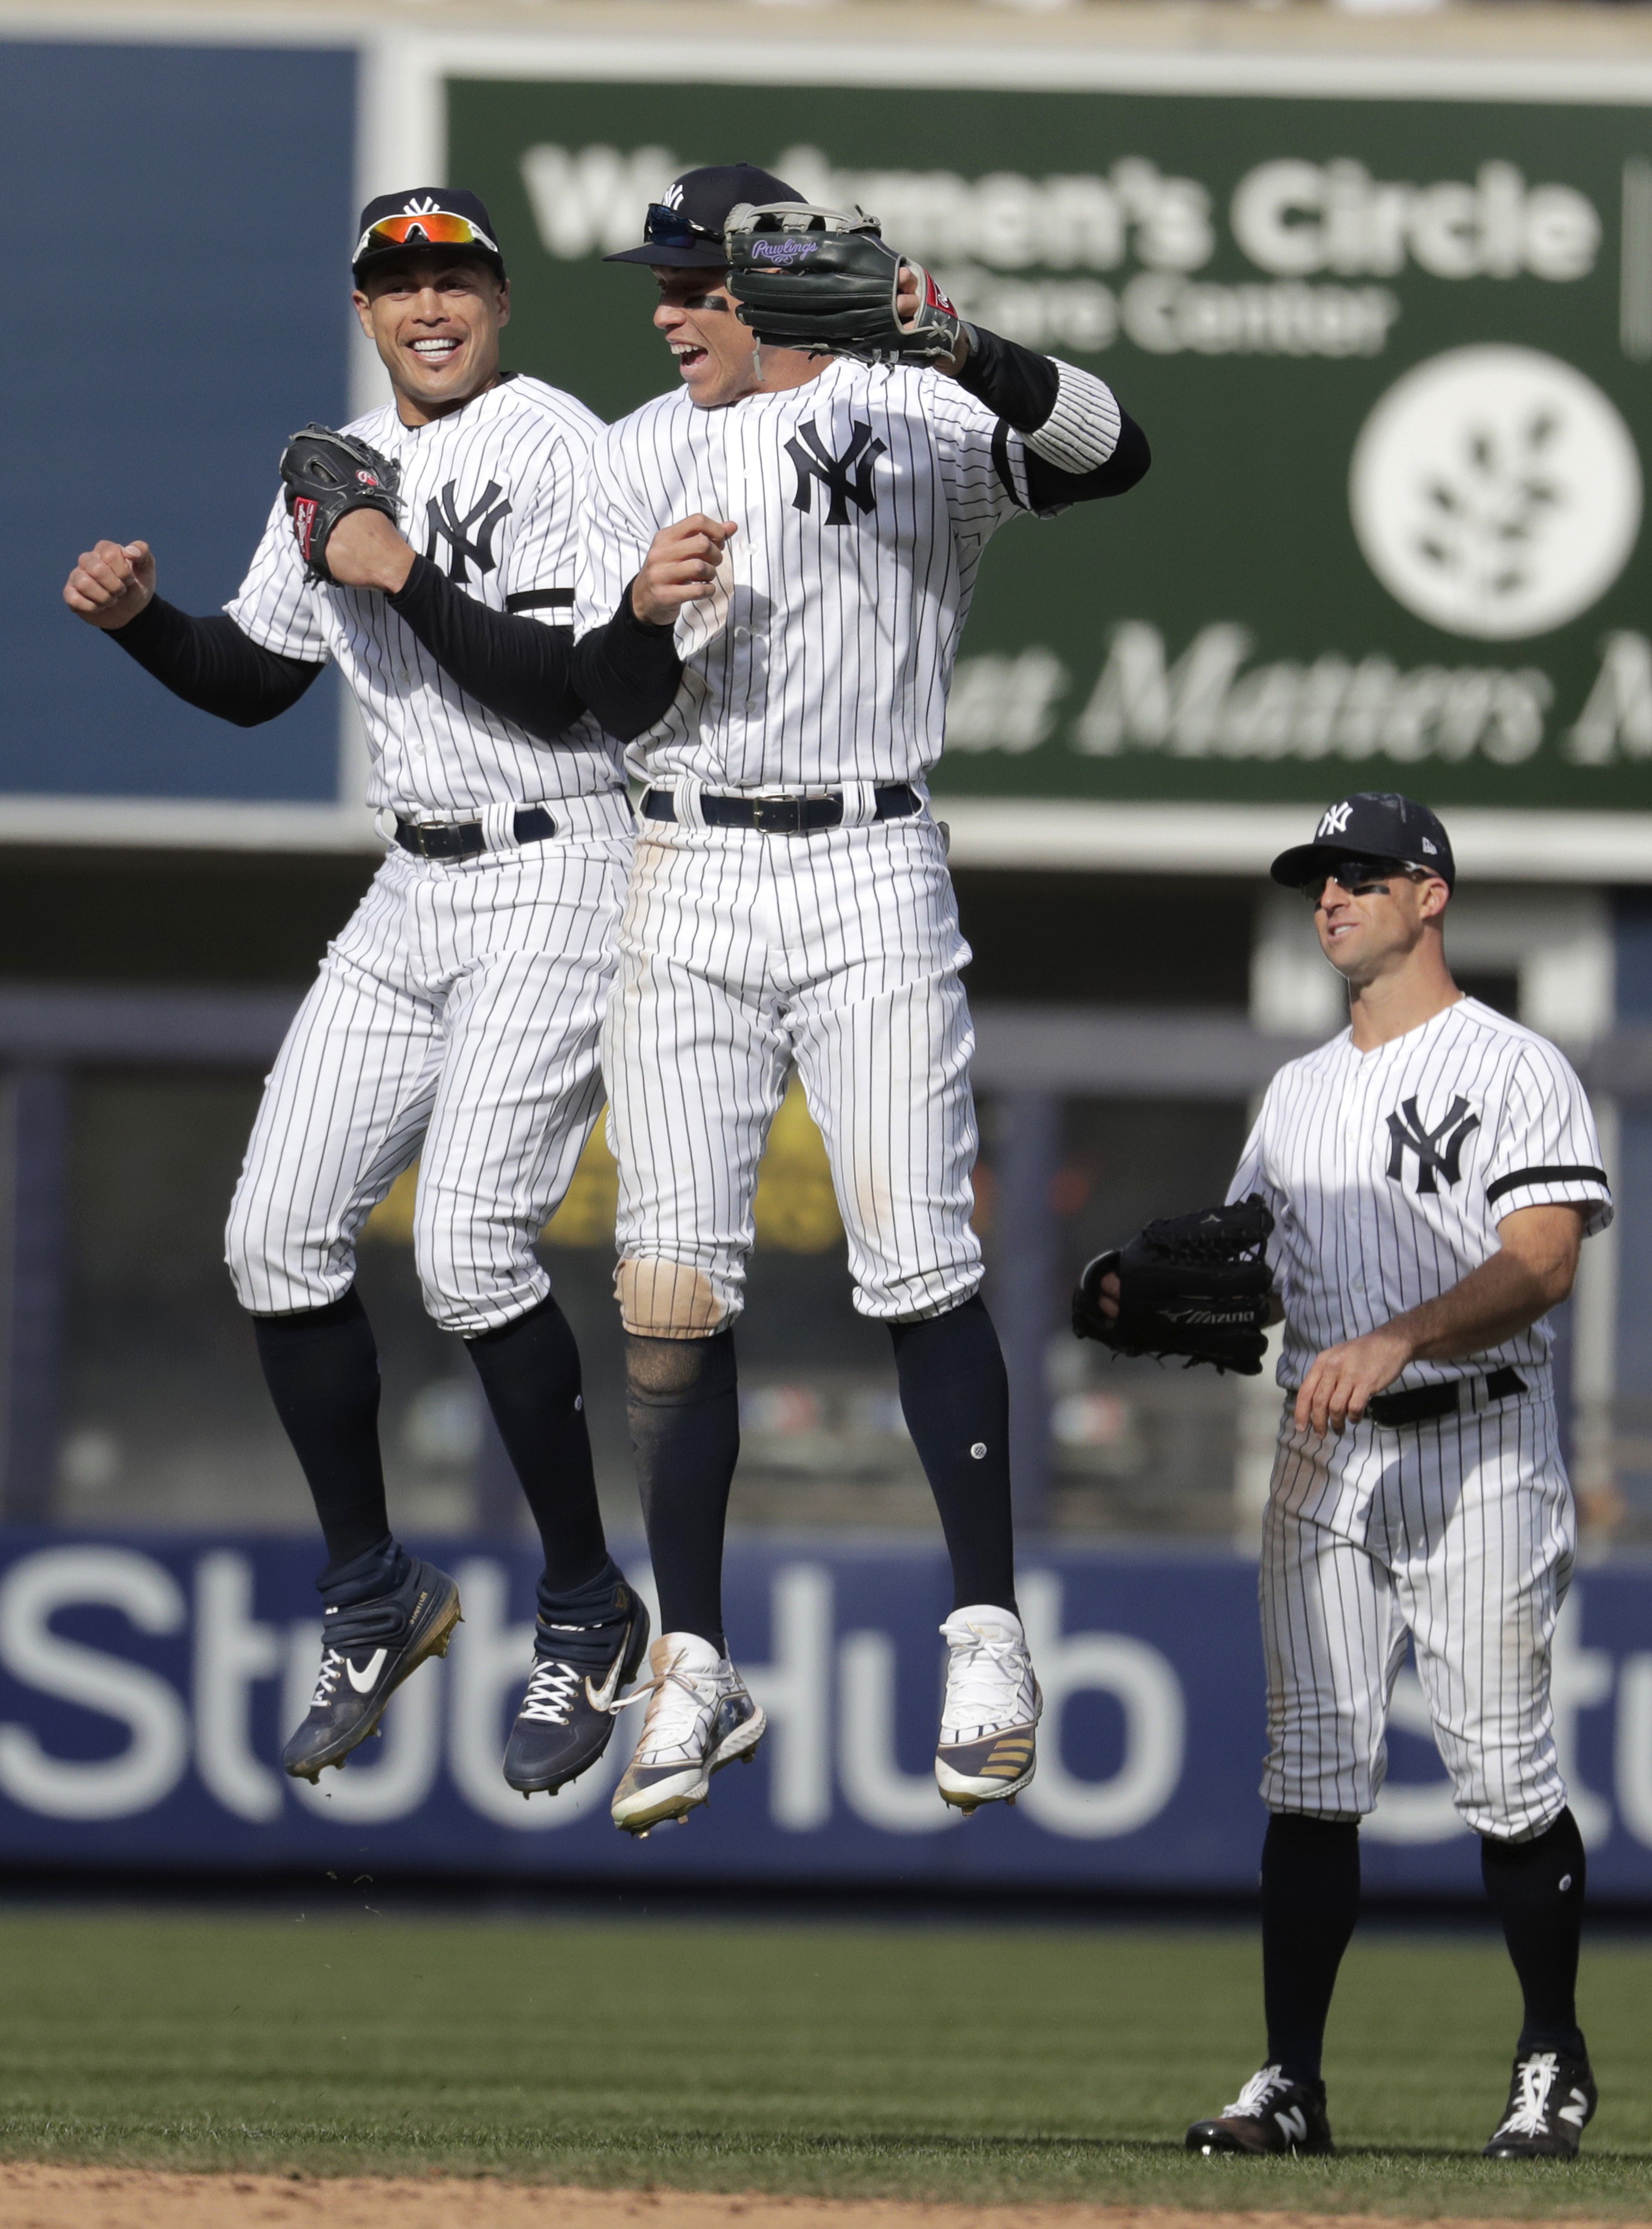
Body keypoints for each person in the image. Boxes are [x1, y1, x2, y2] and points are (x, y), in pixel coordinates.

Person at [363, 158, 1151, 1834]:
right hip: (685, 858)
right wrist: (642, 616)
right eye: (657, 288)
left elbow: (1112, 448)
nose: (665, 315)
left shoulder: (914, 404)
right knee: (668, 1286)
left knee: (914, 1250)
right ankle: (697, 1659)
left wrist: (957, 334)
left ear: (780, 286)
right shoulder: (638, 451)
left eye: (696, 288)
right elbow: (593, 694)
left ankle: (987, 1627)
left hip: (867, 846)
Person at [61, 188, 720, 1798]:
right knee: (272, 1235)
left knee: (470, 1240)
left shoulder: (560, 441)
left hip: (561, 849)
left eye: (453, 278)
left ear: (498, 297)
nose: (426, 305)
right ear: (363, 308)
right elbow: (256, 680)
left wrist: (394, 559)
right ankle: (373, 1584)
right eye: (394, 283)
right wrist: (148, 625)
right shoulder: (334, 459)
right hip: (413, 873)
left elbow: (574, 688)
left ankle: (584, 1605)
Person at [1144, 792, 1610, 2160]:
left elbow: (1543, 1262)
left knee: (1505, 1775)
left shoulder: (1515, 1063)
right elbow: (1245, 1270)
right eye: (1317, 879)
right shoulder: (1295, 1092)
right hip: (1323, 1450)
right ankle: (1291, 2080)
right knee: (1313, 1775)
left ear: (1430, 894)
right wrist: (1135, 1292)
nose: (1329, 896)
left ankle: (1551, 2055)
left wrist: (1396, 1334)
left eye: (1357, 873)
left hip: (1478, 1437)